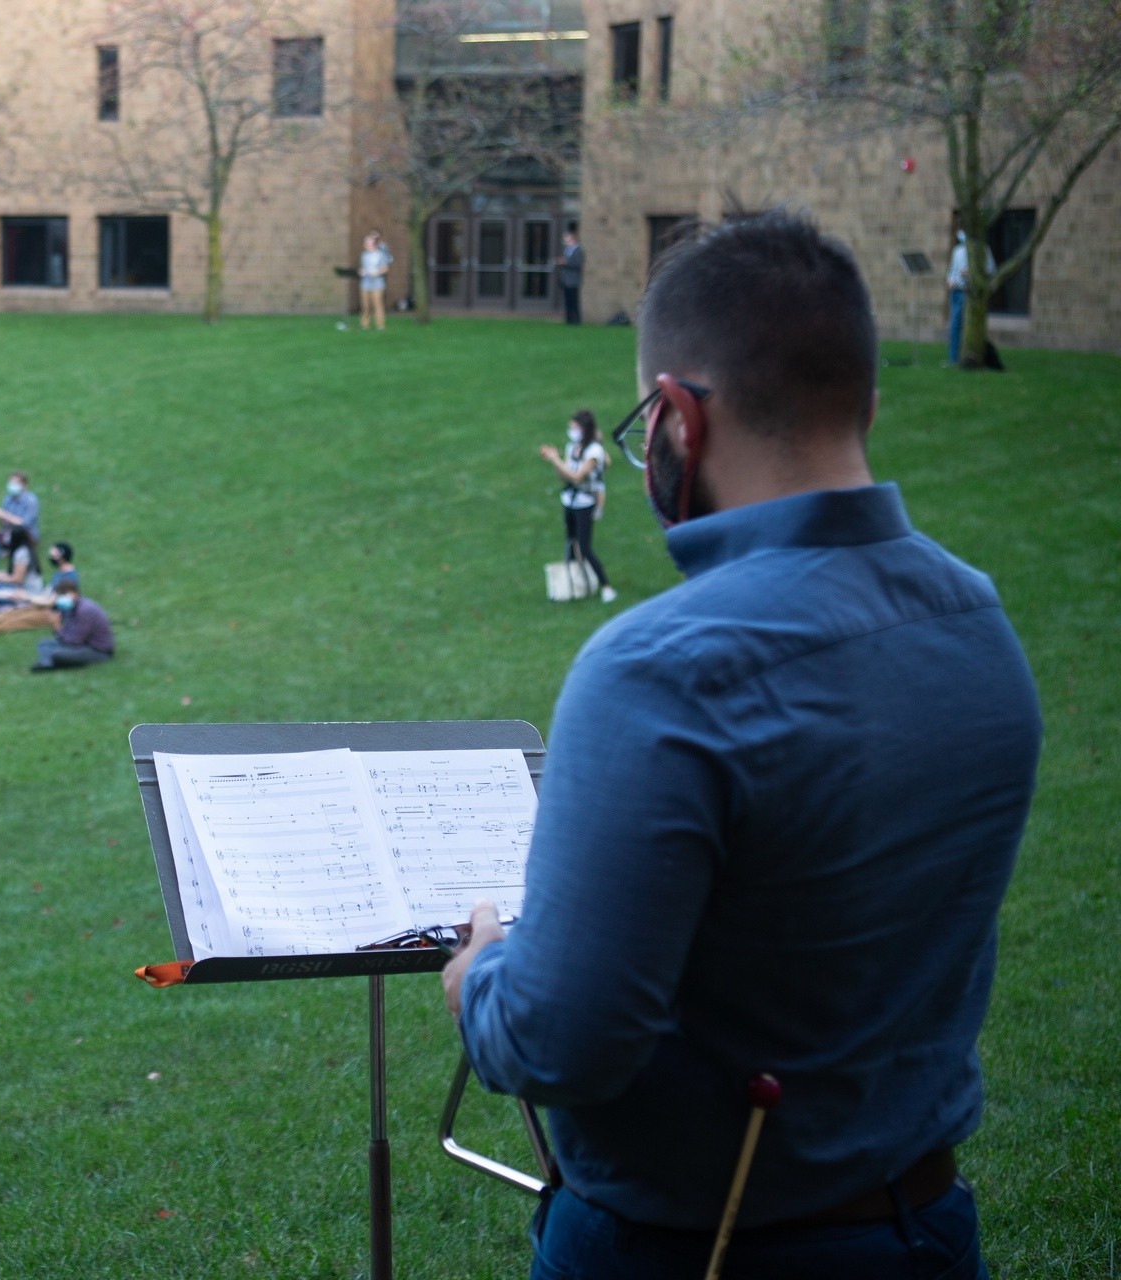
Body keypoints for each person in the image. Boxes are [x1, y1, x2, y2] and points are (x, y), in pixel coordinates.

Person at [438, 210, 1041, 1279]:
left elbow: (563, 1041)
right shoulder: (977, 617)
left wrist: (482, 976)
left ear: (673, 416)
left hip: (692, 1251)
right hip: (927, 1228)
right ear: (866, 400)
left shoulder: (658, 668)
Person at [539, 409, 615, 602]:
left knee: (584, 546)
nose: (571, 431)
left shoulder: (594, 452)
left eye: (574, 428)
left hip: (585, 504)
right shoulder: (572, 447)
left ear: (585, 429)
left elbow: (577, 477)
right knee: (570, 541)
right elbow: (564, 475)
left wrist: (555, 459)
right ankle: (574, 583)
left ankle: (606, 587)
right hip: (570, 501)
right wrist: (555, 462)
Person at [31, 580, 114, 671]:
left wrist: (57, 626)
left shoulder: (85, 610)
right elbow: (67, 635)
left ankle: (49, 663)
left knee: (58, 655)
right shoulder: (69, 607)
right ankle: (46, 664)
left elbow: (75, 641)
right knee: (43, 644)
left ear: (75, 594)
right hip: (80, 645)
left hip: (97, 650)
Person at [946, 230, 995, 366]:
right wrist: (950, 280)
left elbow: (990, 269)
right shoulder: (957, 251)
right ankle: (953, 357)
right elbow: (952, 270)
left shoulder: (983, 250)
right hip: (956, 291)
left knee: (969, 325)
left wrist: (972, 273)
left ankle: (971, 356)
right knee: (955, 325)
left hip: (971, 292)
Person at [0, 471, 41, 542]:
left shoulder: (31, 501)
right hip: (10, 532)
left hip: (26, 534)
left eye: (15, 483)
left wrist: (3, 515)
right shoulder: (7, 499)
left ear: (24, 485)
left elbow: (24, 524)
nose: (12, 485)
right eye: (11, 482)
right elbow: (4, 525)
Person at [357, 231, 391, 331]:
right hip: (365, 283)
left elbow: (385, 268)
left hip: (377, 283)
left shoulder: (381, 255)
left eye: (369, 243)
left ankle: (380, 325)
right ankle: (364, 324)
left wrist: (377, 272)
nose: (367, 245)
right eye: (366, 243)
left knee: (377, 305)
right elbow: (362, 267)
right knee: (365, 305)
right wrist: (361, 271)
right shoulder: (364, 255)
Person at [557, 224, 584, 325]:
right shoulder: (566, 250)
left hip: (573, 280)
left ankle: (576, 320)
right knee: (567, 301)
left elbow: (577, 264)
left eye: (566, 237)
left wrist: (565, 262)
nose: (565, 239)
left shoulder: (578, 251)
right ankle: (568, 320)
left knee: (574, 301)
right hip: (566, 280)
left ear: (572, 238)